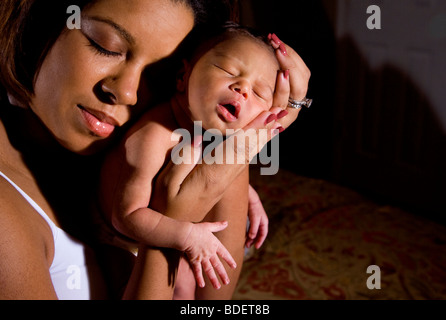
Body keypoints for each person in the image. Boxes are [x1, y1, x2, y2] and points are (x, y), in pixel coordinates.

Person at [0, 0, 311, 300]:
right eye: (106, 46)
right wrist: (178, 215)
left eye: (156, 73)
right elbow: (132, 218)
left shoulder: (87, 150)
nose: (127, 92)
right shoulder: (6, 223)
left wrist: (257, 136)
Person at [99, 22, 288, 299]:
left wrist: (250, 198)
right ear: (183, 77)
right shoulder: (153, 137)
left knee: (196, 276)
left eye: (259, 92)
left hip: (171, 229)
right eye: (228, 71)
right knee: (178, 285)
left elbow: (207, 170)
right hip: (122, 241)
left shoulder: (208, 131)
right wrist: (187, 238)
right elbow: (125, 217)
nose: (242, 89)